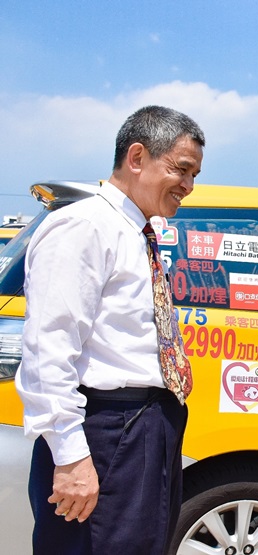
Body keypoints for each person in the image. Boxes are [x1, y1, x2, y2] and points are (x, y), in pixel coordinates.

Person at [15, 105, 204, 554]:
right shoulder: (84, 227)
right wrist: (71, 456)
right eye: (181, 170)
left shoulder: (134, 231)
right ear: (137, 157)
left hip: (142, 430)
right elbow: (48, 349)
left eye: (195, 175)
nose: (189, 187)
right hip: (104, 432)